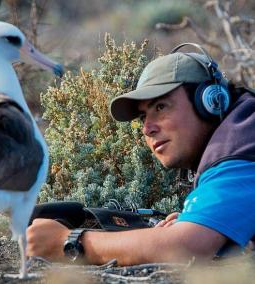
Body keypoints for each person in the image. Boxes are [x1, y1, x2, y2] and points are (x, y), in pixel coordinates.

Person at [26, 43, 255, 265]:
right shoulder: (242, 133)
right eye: (143, 117)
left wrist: (68, 243)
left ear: (211, 101)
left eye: (161, 107)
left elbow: (188, 246)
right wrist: (203, 221)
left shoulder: (238, 152)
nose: (147, 128)